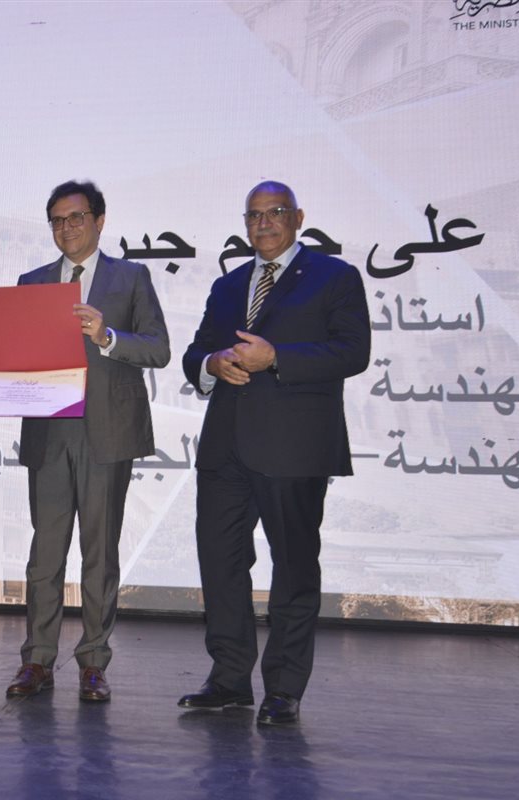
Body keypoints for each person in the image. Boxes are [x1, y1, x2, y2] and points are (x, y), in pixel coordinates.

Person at [179, 181, 370, 724]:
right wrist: (211, 364)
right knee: (221, 564)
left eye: (276, 212)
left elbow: (353, 352)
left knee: (293, 568)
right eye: (254, 215)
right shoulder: (228, 284)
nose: (264, 223)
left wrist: (277, 358)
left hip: (295, 448)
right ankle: (229, 679)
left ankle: (284, 688)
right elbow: (197, 351)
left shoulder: (335, 276)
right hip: (225, 450)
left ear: (298, 218)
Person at [6, 181, 170, 703]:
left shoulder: (131, 276)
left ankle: (94, 662)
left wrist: (107, 336)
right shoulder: (32, 282)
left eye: (76, 217)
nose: (67, 228)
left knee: (100, 556)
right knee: (44, 557)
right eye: (57, 220)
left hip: (107, 433)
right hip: (49, 433)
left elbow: (159, 349)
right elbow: (17, 356)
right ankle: (37, 660)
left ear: (99, 221)